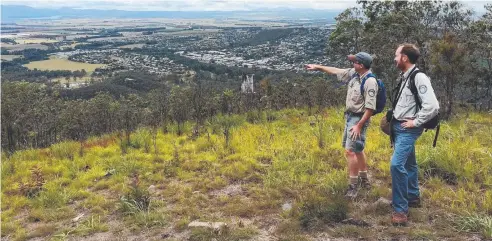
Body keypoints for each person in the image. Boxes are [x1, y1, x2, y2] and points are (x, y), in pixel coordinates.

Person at [306, 52, 378, 198]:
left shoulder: (370, 82)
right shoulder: (354, 74)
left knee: (350, 151)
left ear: (361, 65)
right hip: (350, 116)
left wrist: (359, 125)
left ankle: (353, 185)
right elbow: (336, 70)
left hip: (358, 118)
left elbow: (370, 108)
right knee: (358, 149)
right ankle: (364, 180)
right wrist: (317, 67)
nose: (352, 64)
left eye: (355, 62)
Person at [390, 44, 439, 226]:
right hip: (399, 126)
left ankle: (400, 210)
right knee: (409, 163)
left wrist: (415, 122)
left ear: (404, 58)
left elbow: (432, 106)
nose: (394, 59)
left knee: (396, 165)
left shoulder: (419, 77)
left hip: (408, 129)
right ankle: (412, 196)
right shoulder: (405, 77)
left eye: (396, 55)